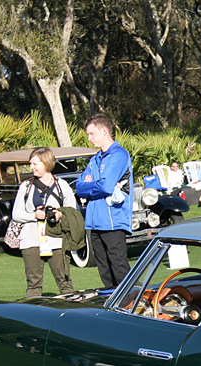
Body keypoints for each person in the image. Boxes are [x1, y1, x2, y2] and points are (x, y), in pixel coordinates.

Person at [11, 147, 76, 298]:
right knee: (33, 284)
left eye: (35, 164)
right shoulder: (26, 187)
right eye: (31, 164)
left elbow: (73, 210)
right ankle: (34, 316)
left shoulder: (62, 186)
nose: (31, 167)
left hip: (56, 239)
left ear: (46, 163)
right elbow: (16, 214)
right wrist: (34, 215)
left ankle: (72, 313)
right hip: (31, 240)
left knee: (64, 282)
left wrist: (60, 214)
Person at [76, 113, 132, 289]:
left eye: (91, 134)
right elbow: (78, 187)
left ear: (104, 131)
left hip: (113, 221)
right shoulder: (94, 159)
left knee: (120, 270)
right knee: (105, 272)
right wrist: (95, 185)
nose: (89, 138)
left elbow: (107, 187)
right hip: (93, 222)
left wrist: (91, 186)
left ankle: (136, 306)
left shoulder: (119, 155)